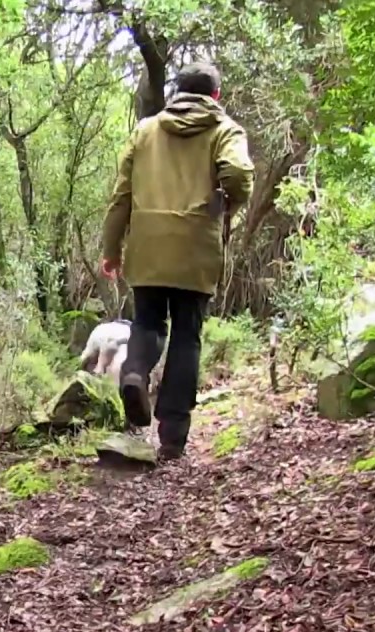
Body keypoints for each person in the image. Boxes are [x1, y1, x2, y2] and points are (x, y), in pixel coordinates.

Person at [97, 62, 255, 461]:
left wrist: (112, 248)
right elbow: (238, 174)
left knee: (148, 322)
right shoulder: (225, 131)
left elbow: (121, 196)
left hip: (148, 243)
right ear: (215, 95)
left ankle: (134, 373)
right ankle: (172, 436)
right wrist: (227, 201)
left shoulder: (145, 130)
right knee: (187, 336)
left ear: (177, 92)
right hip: (197, 246)